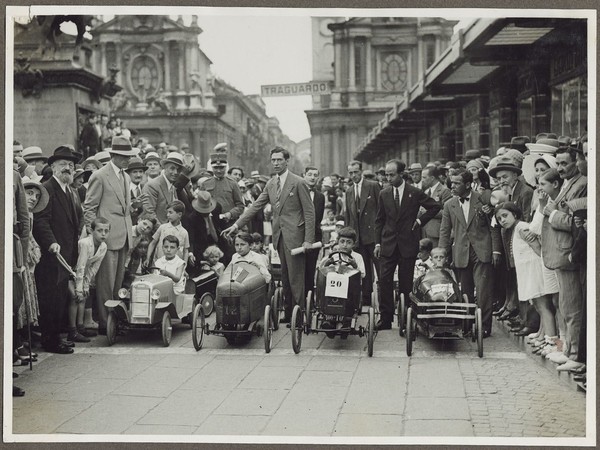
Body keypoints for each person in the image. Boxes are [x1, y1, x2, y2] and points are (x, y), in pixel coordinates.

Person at [223, 146, 315, 322]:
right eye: (273, 160)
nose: (276, 163)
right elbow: (255, 206)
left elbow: (309, 212)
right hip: (279, 236)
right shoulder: (271, 183)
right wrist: (236, 225)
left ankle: (301, 316)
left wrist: (308, 240)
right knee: (285, 277)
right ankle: (289, 314)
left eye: (280, 160)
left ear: (287, 161)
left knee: (296, 278)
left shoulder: (299, 182)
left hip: (296, 237)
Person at [374, 159, 442, 331]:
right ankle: (386, 318)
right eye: (386, 175)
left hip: (407, 245)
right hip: (388, 245)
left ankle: (405, 319)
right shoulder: (384, 193)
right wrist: (377, 243)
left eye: (391, 174)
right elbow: (379, 220)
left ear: (401, 174)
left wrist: (419, 221)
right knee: (384, 281)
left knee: (405, 284)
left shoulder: (414, 192)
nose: (388, 178)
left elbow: (435, 207)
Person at [83, 136, 138, 336]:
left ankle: (115, 320)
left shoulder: (126, 176)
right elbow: (89, 209)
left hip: (123, 236)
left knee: (117, 283)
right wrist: (97, 237)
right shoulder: (99, 176)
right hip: (107, 238)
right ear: (113, 155)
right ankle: (106, 324)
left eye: (129, 156)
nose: (127, 160)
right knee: (105, 284)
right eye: (124, 156)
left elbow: (125, 209)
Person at [438, 169, 500, 338]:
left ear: (467, 184)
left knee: (483, 291)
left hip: (482, 250)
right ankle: (467, 324)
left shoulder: (482, 200)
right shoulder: (449, 204)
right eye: (452, 182)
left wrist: (495, 250)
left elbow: (493, 226)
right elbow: (444, 232)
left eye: (457, 183)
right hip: (461, 252)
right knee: (465, 291)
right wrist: (441, 254)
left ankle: (484, 327)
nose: (453, 186)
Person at [538, 148, 586, 364]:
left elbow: (574, 223)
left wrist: (552, 213)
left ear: (577, 161)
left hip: (568, 254)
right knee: (566, 305)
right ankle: (568, 350)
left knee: (571, 305)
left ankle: (574, 354)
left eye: (564, 163)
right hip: (560, 253)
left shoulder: (581, 184)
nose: (560, 168)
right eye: (558, 164)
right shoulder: (569, 184)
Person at [33, 146, 82, 354]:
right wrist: (51, 242)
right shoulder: (47, 189)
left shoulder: (70, 190)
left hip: (65, 254)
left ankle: (57, 337)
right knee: (50, 299)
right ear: (52, 166)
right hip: (52, 255)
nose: (67, 169)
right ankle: (50, 341)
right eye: (63, 164)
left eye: (70, 165)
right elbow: (41, 221)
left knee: (60, 297)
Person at [495, 202, 548, 338]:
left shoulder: (522, 227)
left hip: (534, 269)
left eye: (505, 216)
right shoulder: (513, 229)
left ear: (515, 214)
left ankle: (547, 336)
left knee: (542, 305)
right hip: (527, 270)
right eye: (499, 219)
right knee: (537, 304)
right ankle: (542, 333)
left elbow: (537, 249)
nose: (503, 220)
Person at [344, 160, 381, 306]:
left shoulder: (372, 186)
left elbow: (381, 210)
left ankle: (384, 300)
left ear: (361, 171)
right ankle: (366, 300)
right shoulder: (348, 191)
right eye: (351, 173)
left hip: (373, 237)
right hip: (358, 237)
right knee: (363, 270)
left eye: (356, 172)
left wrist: (381, 236)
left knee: (381, 269)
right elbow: (348, 216)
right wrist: (348, 237)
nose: (353, 175)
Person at [71, 217, 110, 343]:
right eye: (99, 230)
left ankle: (80, 327)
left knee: (84, 295)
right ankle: (72, 330)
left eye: (106, 231)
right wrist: (78, 288)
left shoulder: (103, 246)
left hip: (81, 274)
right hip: (71, 270)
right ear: (91, 231)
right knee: (75, 297)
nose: (103, 234)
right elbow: (80, 266)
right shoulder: (85, 243)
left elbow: (94, 268)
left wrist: (86, 285)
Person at [142, 151, 184, 224]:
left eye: (178, 170)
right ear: (164, 168)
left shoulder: (172, 187)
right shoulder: (152, 185)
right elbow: (149, 214)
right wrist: (164, 232)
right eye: (172, 168)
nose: (176, 172)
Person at [303, 166, 325, 298]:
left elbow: (319, 218)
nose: (312, 177)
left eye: (315, 175)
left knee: (311, 269)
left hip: (315, 237)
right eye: (309, 174)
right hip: (299, 236)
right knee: (299, 270)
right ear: (304, 175)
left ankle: (309, 300)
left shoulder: (320, 197)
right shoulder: (297, 192)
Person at [146, 200, 190, 265]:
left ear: (179, 214)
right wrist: (148, 258)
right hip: (159, 264)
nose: (167, 215)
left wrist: (184, 265)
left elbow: (185, 251)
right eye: (167, 212)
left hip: (175, 267)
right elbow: (152, 243)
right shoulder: (162, 228)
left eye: (170, 212)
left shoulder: (184, 232)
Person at [420, 165, 452, 248]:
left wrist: (428, 212)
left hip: (437, 233)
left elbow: (447, 212)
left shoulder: (445, 191)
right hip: (426, 231)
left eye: (424, 177)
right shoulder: (427, 191)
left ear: (432, 178)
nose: (422, 180)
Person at [126, 156, 147, 225]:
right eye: (134, 172)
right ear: (128, 174)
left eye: (140, 172)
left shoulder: (146, 188)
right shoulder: (124, 189)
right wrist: (133, 206)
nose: (138, 175)